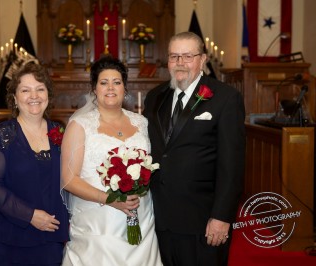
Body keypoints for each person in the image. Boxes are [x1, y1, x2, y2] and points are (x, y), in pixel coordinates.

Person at [143, 31, 245, 266]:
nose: (180, 63)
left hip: (202, 219)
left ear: (203, 59)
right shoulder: (155, 97)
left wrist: (221, 216)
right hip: (160, 217)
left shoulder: (226, 98)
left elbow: (232, 165)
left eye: (188, 56)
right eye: (174, 56)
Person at [60, 56, 162, 265]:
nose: (111, 88)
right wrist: (110, 199)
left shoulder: (141, 122)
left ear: (125, 88)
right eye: (103, 82)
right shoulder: (80, 125)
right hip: (98, 221)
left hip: (140, 214)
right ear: (94, 88)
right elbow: (69, 179)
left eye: (117, 82)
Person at [0, 62, 69, 266]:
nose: (34, 96)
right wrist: (30, 215)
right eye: (25, 90)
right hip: (7, 235)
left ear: (48, 95)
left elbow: (68, 179)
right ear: (15, 98)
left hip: (49, 235)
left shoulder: (59, 131)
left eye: (40, 89)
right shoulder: (3, 134)